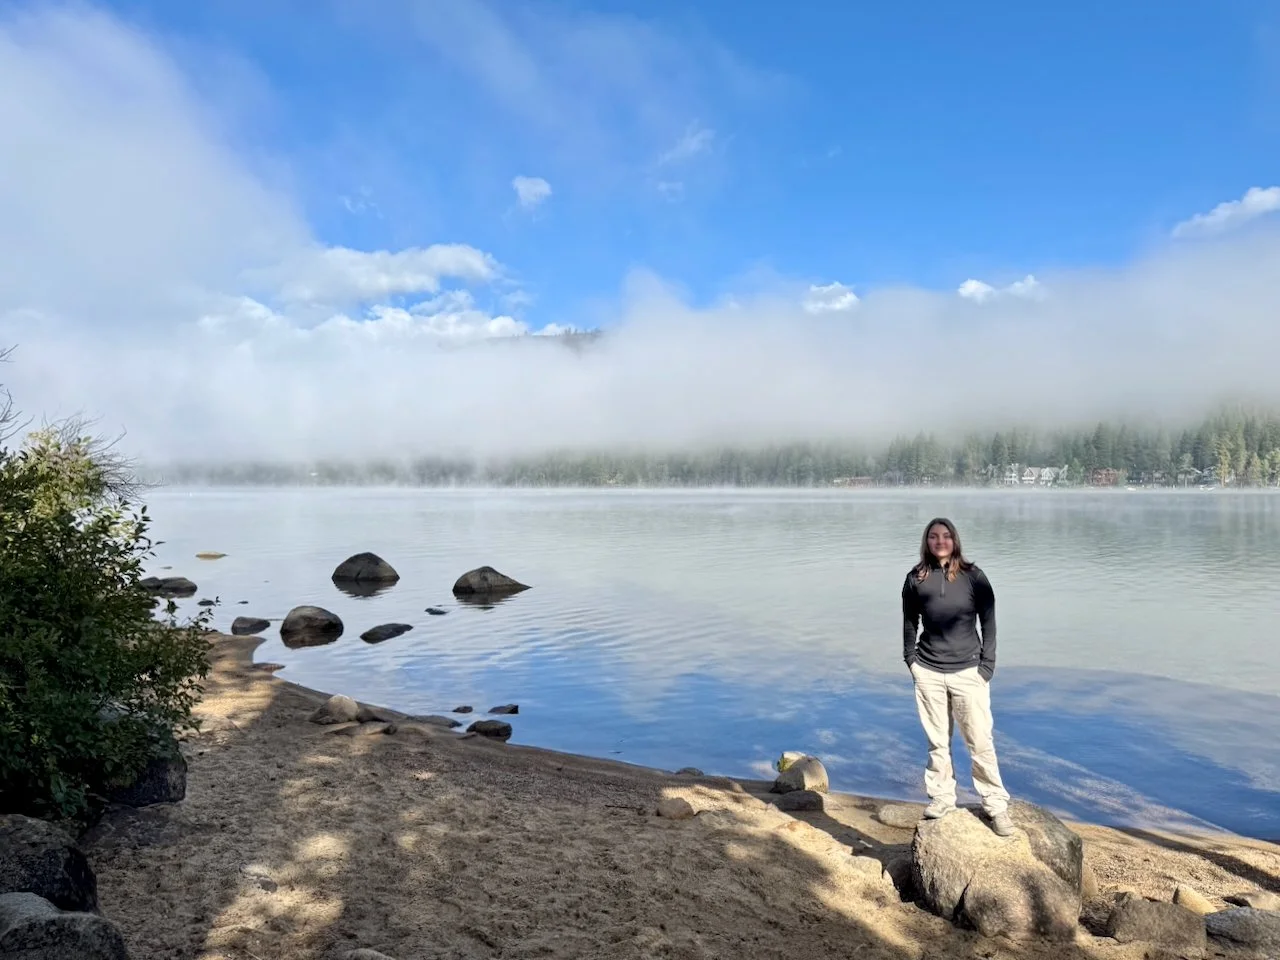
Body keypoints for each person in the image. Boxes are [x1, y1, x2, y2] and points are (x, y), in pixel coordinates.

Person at [901, 517, 1014, 836]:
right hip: (929, 672)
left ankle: (995, 805)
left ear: (955, 541)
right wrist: (912, 661)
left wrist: (986, 667)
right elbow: (910, 623)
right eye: (934, 536)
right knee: (937, 742)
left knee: (980, 740)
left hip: (968, 672)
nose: (940, 541)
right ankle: (941, 798)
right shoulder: (915, 579)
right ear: (927, 541)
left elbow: (989, 624)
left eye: (946, 536)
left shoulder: (974, 577)